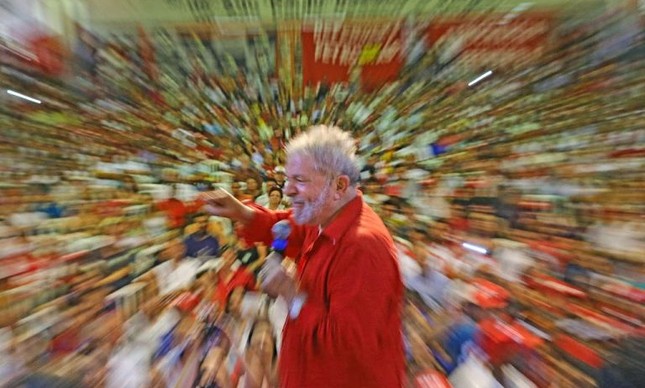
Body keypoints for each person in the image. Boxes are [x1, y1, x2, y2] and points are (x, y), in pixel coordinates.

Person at [202, 125, 404, 388]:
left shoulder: (364, 247)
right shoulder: (324, 216)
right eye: (288, 179)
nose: (287, 190)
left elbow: (347, 347)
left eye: (300, 180)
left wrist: (291, 295)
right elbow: (292, 227)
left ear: (339, 186)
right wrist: (244, 214)